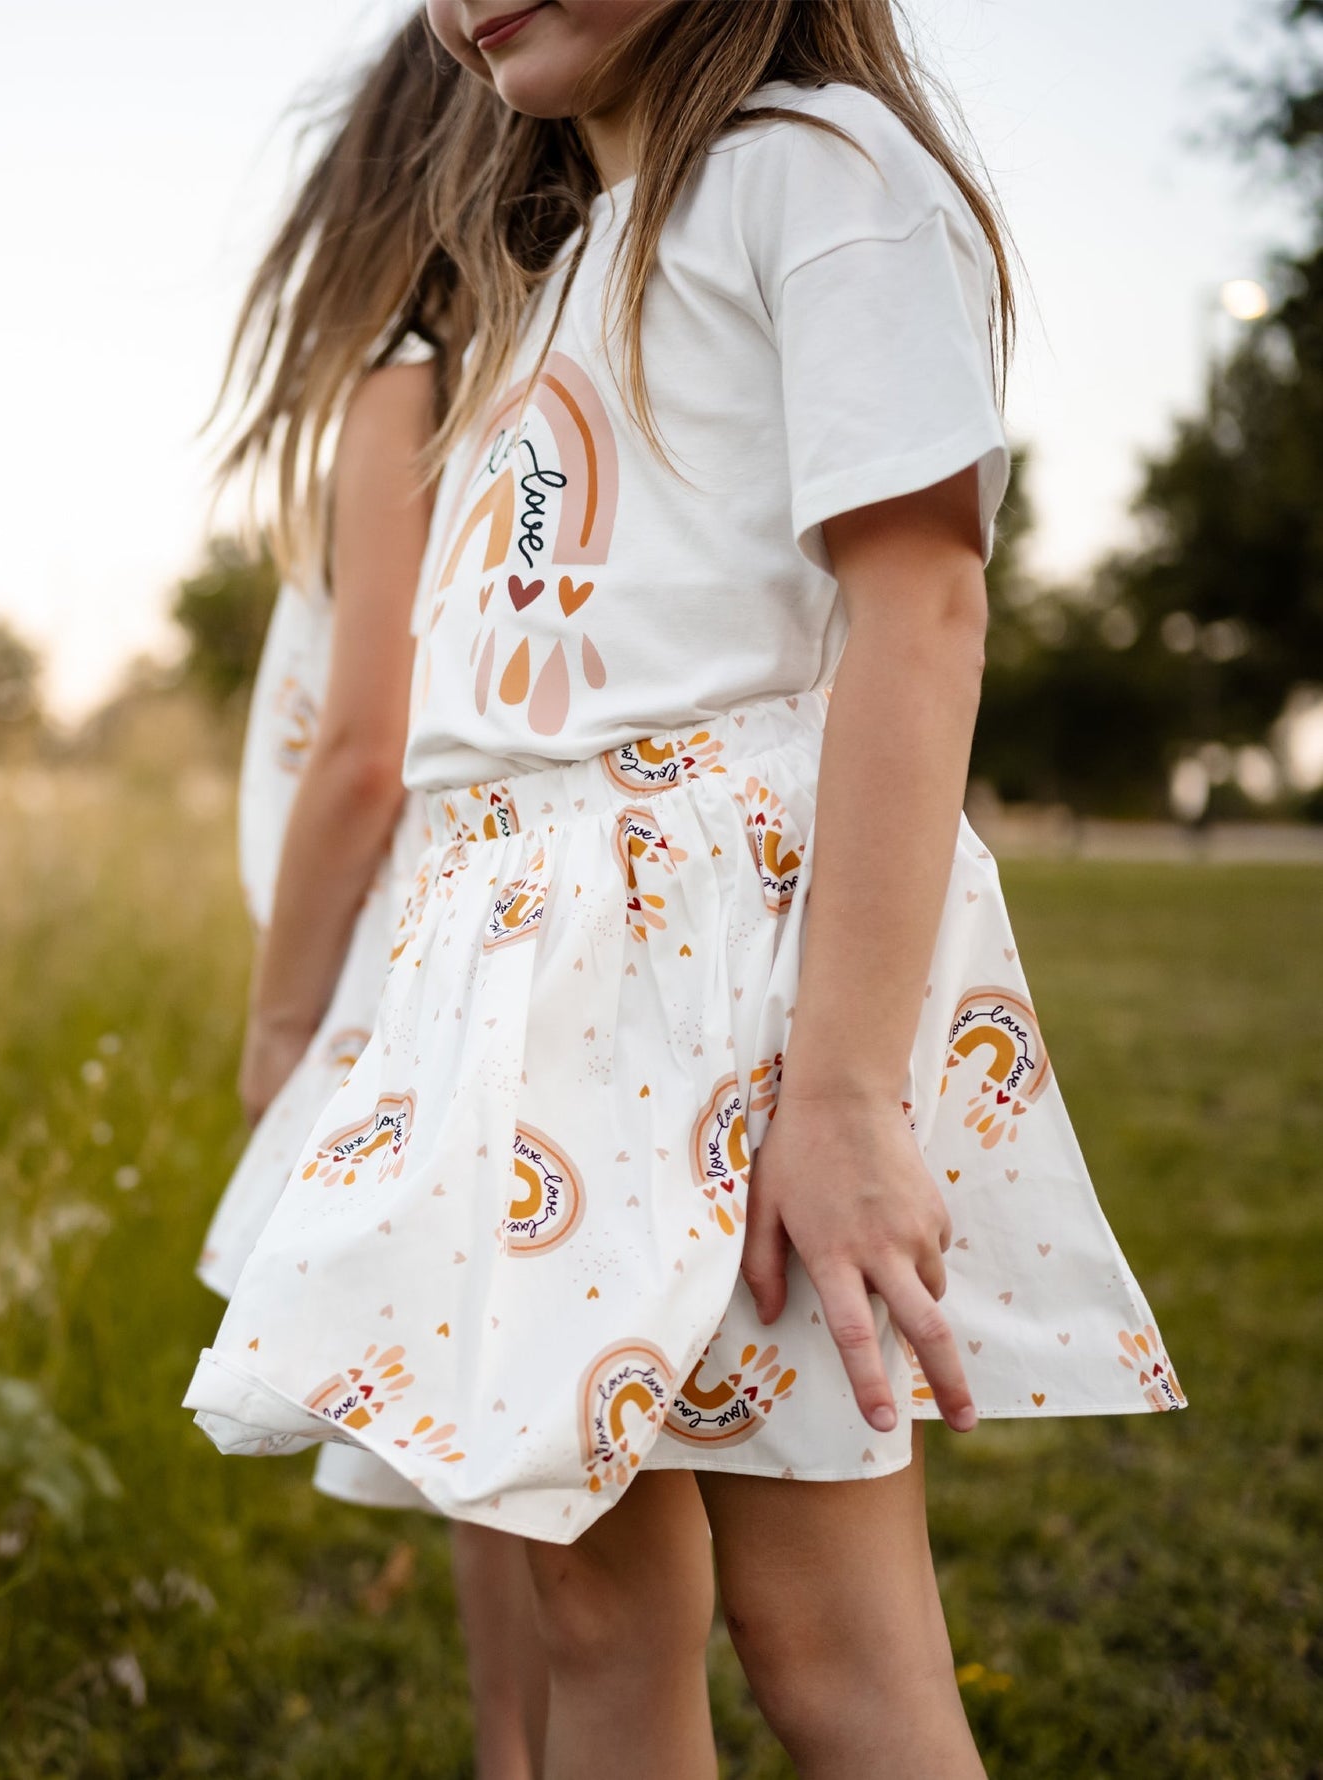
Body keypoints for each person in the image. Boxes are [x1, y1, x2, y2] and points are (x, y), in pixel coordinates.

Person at [189, 3, 1186, 1774]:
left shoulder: (815, 176)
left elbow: (922, 612)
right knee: (593, 1609)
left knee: (829, 1644)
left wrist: (848, 1093)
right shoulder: (544, 277)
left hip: (715, 995)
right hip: (527, 995)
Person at [192, 16, 547, 1776]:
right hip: (528, 945)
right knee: (565, 1416)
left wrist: (278, 1014)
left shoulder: (404, 379)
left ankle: (516, 1757)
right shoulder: (549, 373)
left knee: (488, 1416)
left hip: (422, 978)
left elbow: (366, 745)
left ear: (370, 197)